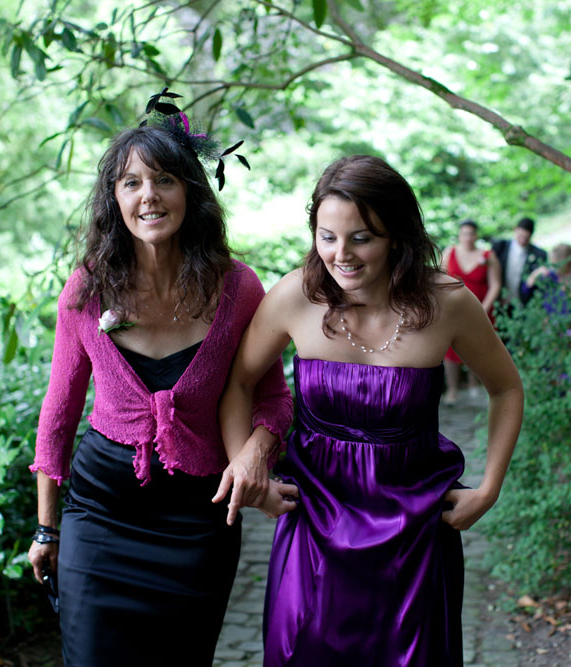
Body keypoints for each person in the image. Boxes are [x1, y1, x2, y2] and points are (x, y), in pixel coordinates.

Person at [218, 155, 524, 666]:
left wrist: (489, 488)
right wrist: (247, 472)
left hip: (416, 533)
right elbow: (239, 383)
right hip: (313, 526)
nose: (342, 255)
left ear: (397, 236)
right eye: (327, 236)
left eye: (362, 237)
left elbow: (507, 389)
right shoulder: (297, 295)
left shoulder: (447, 302)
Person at [26, 93, 293, 666]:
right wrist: (47, 530)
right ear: (114, 200)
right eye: (131, 183)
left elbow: (271, 396)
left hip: (198, 525)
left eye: (164, 180)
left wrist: (253, 456)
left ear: (189, 193)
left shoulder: (238, 288)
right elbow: (59, 413)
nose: (149, 195)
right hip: (100, 517)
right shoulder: (87, 289)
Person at [441, 219, 502, 404]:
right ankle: (452, 389)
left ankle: (474, 383)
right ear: (459, 235)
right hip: (454, 310)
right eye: (464, 233)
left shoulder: (487, 255)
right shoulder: (449, 253)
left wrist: (484, 307)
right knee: (450, 350)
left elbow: (496, 284)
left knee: (478, 347)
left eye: (471, 233)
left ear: (476, 235)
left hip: (481, 309)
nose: (468, 237)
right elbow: (440, 279)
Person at [523, 243, 571, 342]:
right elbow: (525, 291)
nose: (553, 267)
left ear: (567, 262)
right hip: (553, 332)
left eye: (556, 264)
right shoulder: (549, 277)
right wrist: (534, 274)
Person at [491, 216, 547, 310]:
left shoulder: (539, 254)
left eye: (526, 237)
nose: (523, 240)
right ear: (515, 230)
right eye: (521, 236)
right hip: (501, 301)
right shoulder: (501, 246)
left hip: (524, 304)